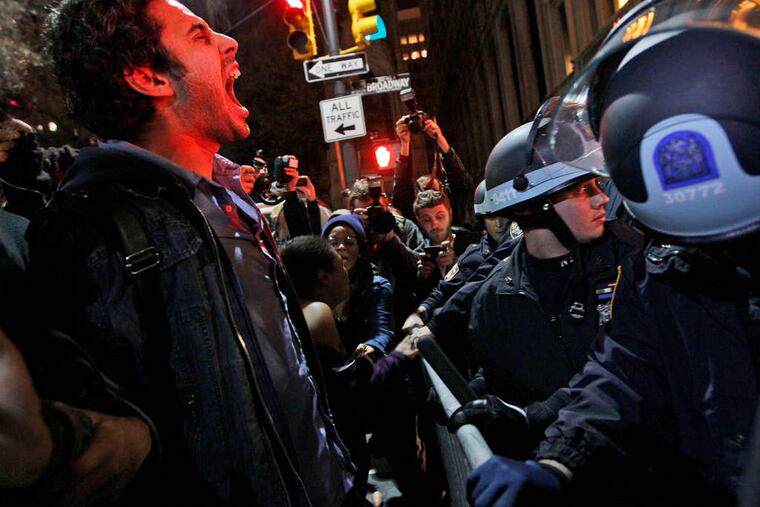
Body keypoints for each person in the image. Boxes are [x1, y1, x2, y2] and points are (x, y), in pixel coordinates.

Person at [31, 1, 358, 505]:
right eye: (199, 35)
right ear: (148, 77)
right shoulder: (90, 231)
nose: (230, 42)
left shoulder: (227, 197)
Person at [468, 1, 760, 505]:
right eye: (582, 191)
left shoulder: (640, 258)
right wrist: (557, 458)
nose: (603, 198)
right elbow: (622, 371)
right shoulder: (667, 272)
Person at [280, 235, 422, 499]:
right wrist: (399, 356)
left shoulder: (287, 310)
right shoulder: (316, 313)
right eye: (339, 266)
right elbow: (349, 392)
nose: (345, 271)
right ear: (323, 277)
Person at [393, 116, 474, 228]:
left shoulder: (454, 205)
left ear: (449, 212)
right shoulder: (417, 236)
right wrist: (405, 143)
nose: (435, 224)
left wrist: (440, 139)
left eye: (440, 216)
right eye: (427, 218)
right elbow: (401, 190)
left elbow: (460, 180)